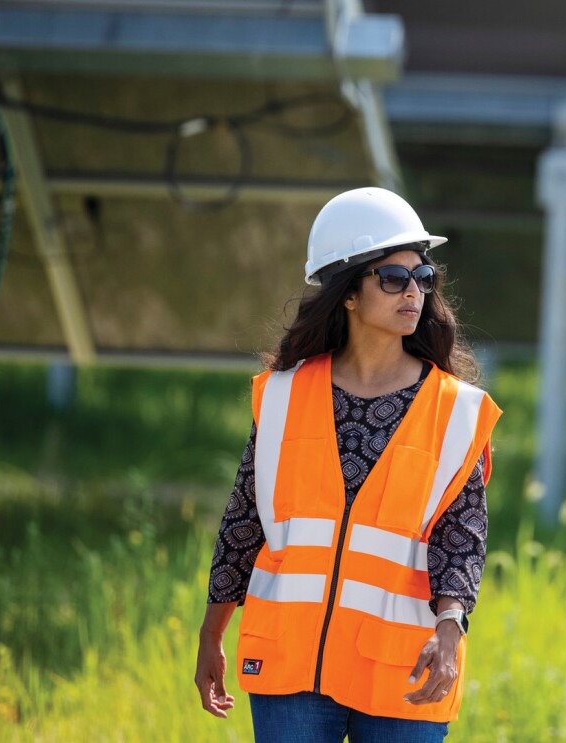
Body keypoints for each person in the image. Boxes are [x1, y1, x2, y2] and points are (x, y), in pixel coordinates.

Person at [194, 187, 502, 742]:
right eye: (393, 277)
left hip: (403, 668)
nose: (414, 292)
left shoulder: (457, 410)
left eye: (422, 277)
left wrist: (451, 628)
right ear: (349, 294)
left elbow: (463, 536)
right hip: (290, 665)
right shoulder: (284, 396)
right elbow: (244, 522)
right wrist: (211, 632)